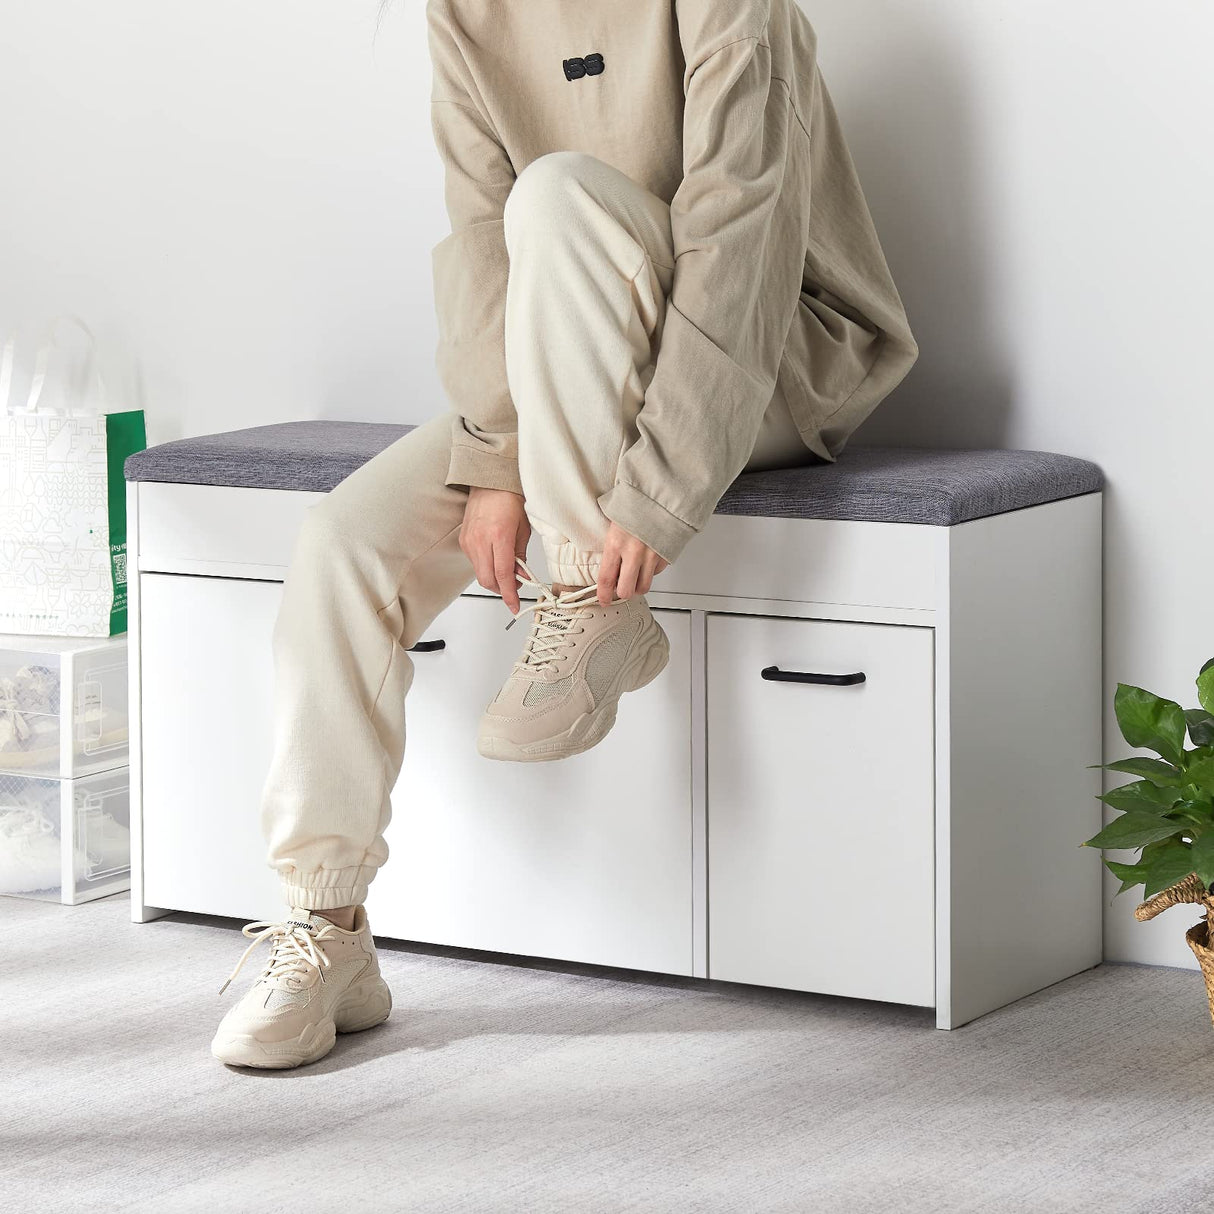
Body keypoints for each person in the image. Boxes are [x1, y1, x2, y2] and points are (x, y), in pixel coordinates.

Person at [210, 0, 919, 1069]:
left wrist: (650, 496)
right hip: (579, 352)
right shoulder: (463, 14)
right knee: (342, 539)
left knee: (559, 194)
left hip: (775, 358)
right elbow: (483, 243)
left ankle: (593, 600)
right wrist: (495, 460)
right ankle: (328, 926)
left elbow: (739, 239)